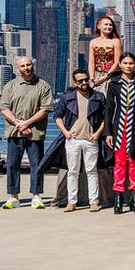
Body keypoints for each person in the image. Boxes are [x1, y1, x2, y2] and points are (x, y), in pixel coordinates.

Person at [41, 69, 106, 213]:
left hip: (91, 139)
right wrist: (66, 133)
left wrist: (98, 133)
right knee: (72, 171)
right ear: (74, 82)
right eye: (80, 81)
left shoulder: (98, 97)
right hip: (73, 140)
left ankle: (94, 202)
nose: (84, 83)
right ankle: (72, 201)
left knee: (92, 171)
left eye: (85, 79)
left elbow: (105, 118)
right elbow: (57, 117)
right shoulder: (67, 97)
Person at [0, 56, 53, 209]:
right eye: (23, 66)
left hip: (35, 132)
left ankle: (36, 196)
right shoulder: (10, 86)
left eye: (28, 65)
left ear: (33, 65)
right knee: (12, 165)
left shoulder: (43, 86)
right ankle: (13, 196)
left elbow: (45, 109)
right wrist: (19, 124)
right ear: (18, 68)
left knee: (37, 164)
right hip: (14, 132)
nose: (26, 68)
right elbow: (4, 108)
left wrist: (27, 123)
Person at [104, 52, 135, 214]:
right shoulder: (114, 84)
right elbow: (109, 110)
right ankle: (118, 198)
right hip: (118, 128)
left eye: (131, 63)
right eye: (125, 63)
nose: (128, 66)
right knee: (119, 163)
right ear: (120, 65)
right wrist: (108, 132)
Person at [89, 15, 122, 91]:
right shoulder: (93, 42)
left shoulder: (115, 41)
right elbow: (91, 62)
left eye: (110, 25)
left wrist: (106, 77)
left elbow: (117, 62)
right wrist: (92, 78)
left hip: (112, 75)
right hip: (96, 75)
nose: (109, 27)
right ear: (98, 26)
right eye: (106, 24)